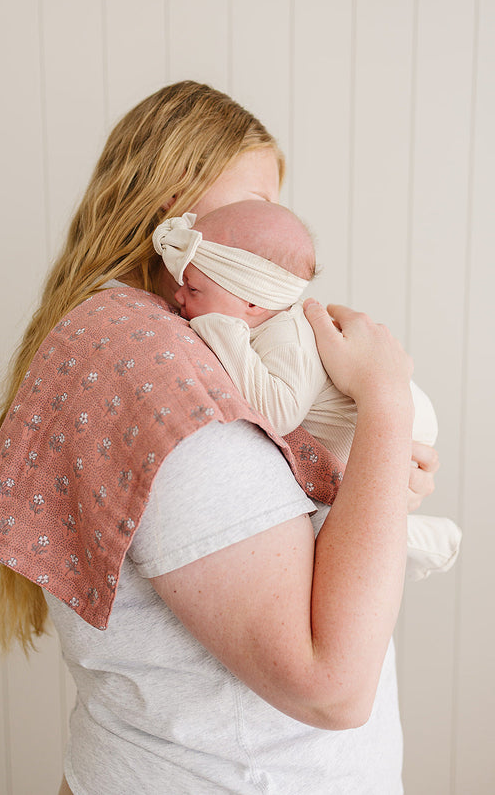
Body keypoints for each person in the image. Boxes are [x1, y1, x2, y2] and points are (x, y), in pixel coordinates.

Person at [0, 80, 438, 795]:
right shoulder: (164, 379)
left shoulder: (146, 344)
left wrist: (371, 476)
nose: (277, 242)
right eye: (260, 205)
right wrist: (386, 401)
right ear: (174, 195)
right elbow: (331, 687)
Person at [153, 201, 461, 582]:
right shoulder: (263, 326)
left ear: (251, 301)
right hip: (354, 430)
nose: (180, 297)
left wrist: (217, 327)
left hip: (394, 426)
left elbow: (279, 413)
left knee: (332, 522)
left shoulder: (290, 334)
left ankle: (427, 540)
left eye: (194, 288)